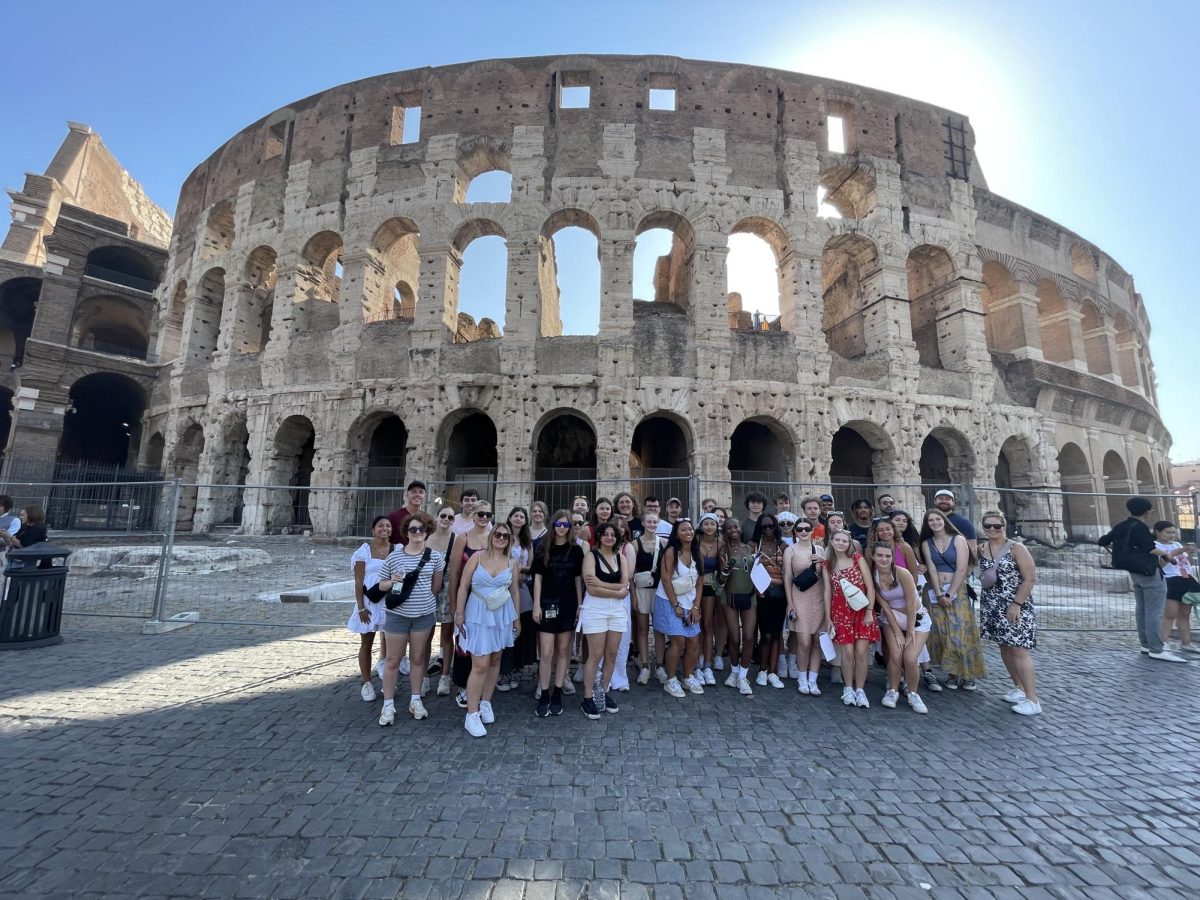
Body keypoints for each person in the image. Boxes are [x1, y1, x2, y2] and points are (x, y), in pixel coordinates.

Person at [378, 512, 445, 725]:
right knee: (392, 660)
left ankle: (415, 699)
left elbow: (436, 586)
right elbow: (381, 585)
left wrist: (422, 600)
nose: (417, 533)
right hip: (397, 615)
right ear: (406, 532)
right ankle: (388, 704)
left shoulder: (435, 557)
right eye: (412, 529)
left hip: (423, 615)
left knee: (418, 659)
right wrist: (392, 581)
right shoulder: (394, 556)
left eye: (421, 529)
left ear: (427, 532)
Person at [1099, 498, 1185, 662]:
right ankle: (1156, 648)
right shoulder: (1140, 527)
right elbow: (1149, 548)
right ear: (1146, 512)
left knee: (1142, 609)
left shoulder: (1122, 525)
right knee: (1154, 611)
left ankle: (1145, 644)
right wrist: (1166, 554)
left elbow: (1103, 541)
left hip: (1134, 572)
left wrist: (1125, 549)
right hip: (1148, 571)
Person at [455, 522, 520, 737]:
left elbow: (515, 592)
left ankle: (486, 703)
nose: (501, 538)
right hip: (477, 613)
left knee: (495, 660)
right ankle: (471, 714)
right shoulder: (477, 557)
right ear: (491, 536)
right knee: (480, 663)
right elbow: (464, 584)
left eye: (505, 535)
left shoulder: (512, 562)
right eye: (498, 534)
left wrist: (517, 619)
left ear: (510, 539)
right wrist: (459, 612)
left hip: (501, 614)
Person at [978, 510, 1042, 715]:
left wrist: (1016, 604)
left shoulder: (1017, 548)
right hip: (992, 604)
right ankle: (1019, 688)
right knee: (1004, 646)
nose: (992, 529)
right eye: (987, 526)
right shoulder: (982, 548)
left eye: (996, 526)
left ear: (1004, 526)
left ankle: (1033, 700)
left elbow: (1030, 578)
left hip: (1015, 604)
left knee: (1019, 650)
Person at [920, 509, 986, 689]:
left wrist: (950, 594)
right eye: (931, 520)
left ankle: (967, 674)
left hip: (957, 591)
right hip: (935, 592)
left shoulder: (959, 539)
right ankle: (952, 673)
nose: (935, 522)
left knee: (960, 632)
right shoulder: (927, 543)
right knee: (943, 632)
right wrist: (940, 594)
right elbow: (932, 569)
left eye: (938, 519)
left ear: (944, 521)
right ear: (927, 524)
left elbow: (962, 569)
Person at [867, 540, 930, 714]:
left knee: (910, 658)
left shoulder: (902, 573)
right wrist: (897, 632)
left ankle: (913, 693)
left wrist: (909, 631)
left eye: (887, 556)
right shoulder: (873, 576)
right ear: (873, 556)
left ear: (893, 557)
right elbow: (885, 606)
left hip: (916, 619)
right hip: (892, 618)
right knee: (895, 655)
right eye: (879, 555)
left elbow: (911, 603)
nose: (884, 559)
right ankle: (892, 690)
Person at [532, 509, 584, 717]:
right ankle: (544, 692)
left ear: (570, 527)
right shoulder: (543, 547)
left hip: (568, 604)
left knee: (564, 651)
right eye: (558, 524)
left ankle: (557, 693)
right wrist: (536, 605)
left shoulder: (576, 550)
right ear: (552, 525)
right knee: (546, 652)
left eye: (566, 525)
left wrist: (580, 605)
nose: (562, 528)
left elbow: (578, 579)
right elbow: (537, 578)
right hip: (547, 603)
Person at [579, 522, 631, 718]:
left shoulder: (621, 557)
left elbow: (625, 585)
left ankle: (603, 691)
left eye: (613, 534)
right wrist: (615, 591)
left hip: (617, 610)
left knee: (611, 654)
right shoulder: (591, 556)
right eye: (605, 534)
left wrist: (603, 584)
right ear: (599, 537)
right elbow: (591, 589)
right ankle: (587, 697)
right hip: (595, 609)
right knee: (595, 654)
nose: (609, 537)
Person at [447, 502, 494, 709]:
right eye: (480, 514)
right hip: (467, 597)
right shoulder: (462, 538)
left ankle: (481, 685)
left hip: (490, 599)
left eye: (488, 514)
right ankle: (463, 686)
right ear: (473, 516)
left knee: (486, 644)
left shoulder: (494, 538)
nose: (484, 517)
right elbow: (455, 572)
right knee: (465, 643)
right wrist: (454, 602)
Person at [823, 530, 877, 708]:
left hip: (861, 610)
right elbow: (827, 592)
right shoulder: (827, 564)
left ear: (849, 543)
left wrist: (870, 611)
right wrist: (828, 618)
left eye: (844, 541)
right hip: (840, 611)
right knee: (847, 653)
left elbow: (870, 586)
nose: (840, 543)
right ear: (831, 541)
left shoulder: (857, 558)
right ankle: (848, 688)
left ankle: (860, 690)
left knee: (861, 652)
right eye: (837, 540)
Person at [348, 515, 393, 702]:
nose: (385, 529)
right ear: (373, 530)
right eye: (380, 526)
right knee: (366, 643)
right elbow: (359, 582)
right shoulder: (364, 551)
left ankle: (389, 681)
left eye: (388, 526)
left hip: (389, 603)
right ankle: (366, 683)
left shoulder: (397, 549)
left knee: (392, 646)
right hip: (369, 602)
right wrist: (360, 608)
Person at [657, 518, 703, 697]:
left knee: (693, 640)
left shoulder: (695, 552)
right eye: (684, 530)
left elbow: (699, 582)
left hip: (690, 602)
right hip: (669, 600)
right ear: (676, 533)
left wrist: (697, 607)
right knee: (678, 641)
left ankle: (687, 676)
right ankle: (670, 679)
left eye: (690, 529)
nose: (688, 532)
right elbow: (666, 579)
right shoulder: (671, 551)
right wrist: (675, 605)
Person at [782, 517, 825, 695]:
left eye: (807, 528)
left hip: (818, 599)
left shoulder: (820, 549)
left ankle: (812, 680)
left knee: (816, 642)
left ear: (812, 530)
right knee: (804, 642)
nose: (804, 532)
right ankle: (801, 677)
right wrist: (790, 603)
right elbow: (787, 578)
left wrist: (823, 561)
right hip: (799, 598)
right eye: (800, 529)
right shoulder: (790, 550)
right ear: (795, 532)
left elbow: (827, 575)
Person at [497, 507, 536, 693]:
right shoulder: (503, 537)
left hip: (522, 588)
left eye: (522, 516)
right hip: (504, 588)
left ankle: (513, 668)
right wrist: (515, 570)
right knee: (505, 627)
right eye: (516, 515)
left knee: (519, 629)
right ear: (510, 517)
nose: (519, 519)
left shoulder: (527, 542)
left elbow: (532, 565)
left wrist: (520, 570)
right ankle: (502, 672)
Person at [719, 518, 756, 695]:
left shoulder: (750, 548)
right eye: (729, 528)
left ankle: (743, 675)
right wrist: (724, 570)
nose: (733, 529)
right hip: (729, 597)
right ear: (725, 531)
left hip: (750, 596)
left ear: (740, 528)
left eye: (736, 526)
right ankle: (734, 672)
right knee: (734, 638)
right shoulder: (723, 549)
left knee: (749, 636)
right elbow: (719, 581)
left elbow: (757, 573)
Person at [425, 506, 458, 695]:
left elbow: (455, 571)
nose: (446, 519)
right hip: (428, 588)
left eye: (450, 517)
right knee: (425, 635)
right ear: (436, 517)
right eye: (443, 515)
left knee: (446, 635)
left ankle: (445, 676)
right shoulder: (426, 539)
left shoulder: (456, 539)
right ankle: (423, 677)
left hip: (447, 588)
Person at [753, 513, 787, 689]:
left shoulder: (783, 546)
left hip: (780, 595)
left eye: (771, 526)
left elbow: (788, 571)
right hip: (762, 595)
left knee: (776, 634)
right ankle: (762, 669)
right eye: (764, 526)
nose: (768, 530)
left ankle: (773, 672)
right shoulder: (753, 546)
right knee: (765, 634)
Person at [1155, 522, 1199, 655]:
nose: (1171, 535)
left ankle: (1186, 643)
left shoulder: (1177, 544)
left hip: (1185, 578)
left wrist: (1188, 553)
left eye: (1173, 532)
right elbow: (1160, 565)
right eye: (1167, 532)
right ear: (1158, 532)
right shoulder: (1155, 546)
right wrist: (1174, 553)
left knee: (1185, 614)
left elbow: (1185, 563)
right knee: (1170, 613)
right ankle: (1163, 642)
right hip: (1170, 579)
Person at [696, 512, 722, 685]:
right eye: (706, 524)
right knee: (695, 625)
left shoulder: (721, 544)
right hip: (694, 588)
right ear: (701, 525)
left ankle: (707, 664)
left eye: (712, 524)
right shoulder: (695, 542)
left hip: (711, 589)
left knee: (708, 625)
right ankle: (696, 662)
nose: (709, 527)